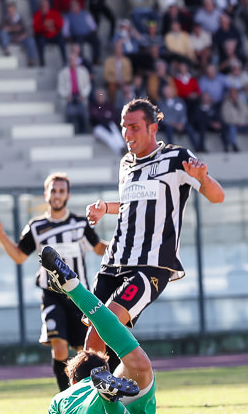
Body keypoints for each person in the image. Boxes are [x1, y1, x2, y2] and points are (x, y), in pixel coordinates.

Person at [85, 98, 225, 367]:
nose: (127, 134)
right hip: (113, 262)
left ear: (153, 127)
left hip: (151, 265)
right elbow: (131, 204)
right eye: (124, 127)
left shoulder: (177, 158)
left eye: (135, 127)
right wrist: (105, 208)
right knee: (96, 337)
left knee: (104, 324)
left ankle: (115, 391)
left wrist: (204, 178)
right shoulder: (126, 163)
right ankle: (111, 397)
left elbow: (217, 196)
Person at [41, 246, 165, 414]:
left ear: (73, 381)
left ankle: (111, 402)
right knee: (139, 363)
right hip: (106, 399)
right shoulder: (100, 382)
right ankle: (74, 288)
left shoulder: (60, 399)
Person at [0, 173, 106, 391]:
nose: (57, 195)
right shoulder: (36, 226)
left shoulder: (80, 224)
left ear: (68, 194)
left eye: (61, 191)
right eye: (53, 190)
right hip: (52, 294)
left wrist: (124, 244)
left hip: (79, 295)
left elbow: (99, 248)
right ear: (46, 194)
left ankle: (87, 395)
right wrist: (1, 235)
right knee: (59, 347)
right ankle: (65, 397)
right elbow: (20, 256)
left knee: (85, 351)